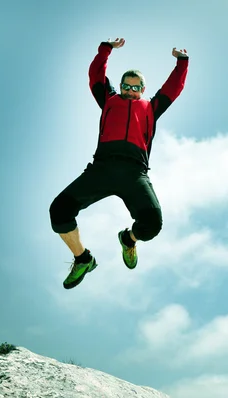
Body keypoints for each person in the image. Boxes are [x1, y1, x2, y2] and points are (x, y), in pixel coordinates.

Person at [49, 37, 189, 289]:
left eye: (136, 88)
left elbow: (173, 88)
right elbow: (95, 76)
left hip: (135, 173)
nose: (130, 91)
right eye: (126, 86)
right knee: (59, 211)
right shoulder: (109, 100)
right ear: (121, 86)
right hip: (102, 168)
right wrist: (106, 49)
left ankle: (128, 239)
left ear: (143, 91)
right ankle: (83, 259)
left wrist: (182, 62)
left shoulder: (151, 108)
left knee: (152, 225)